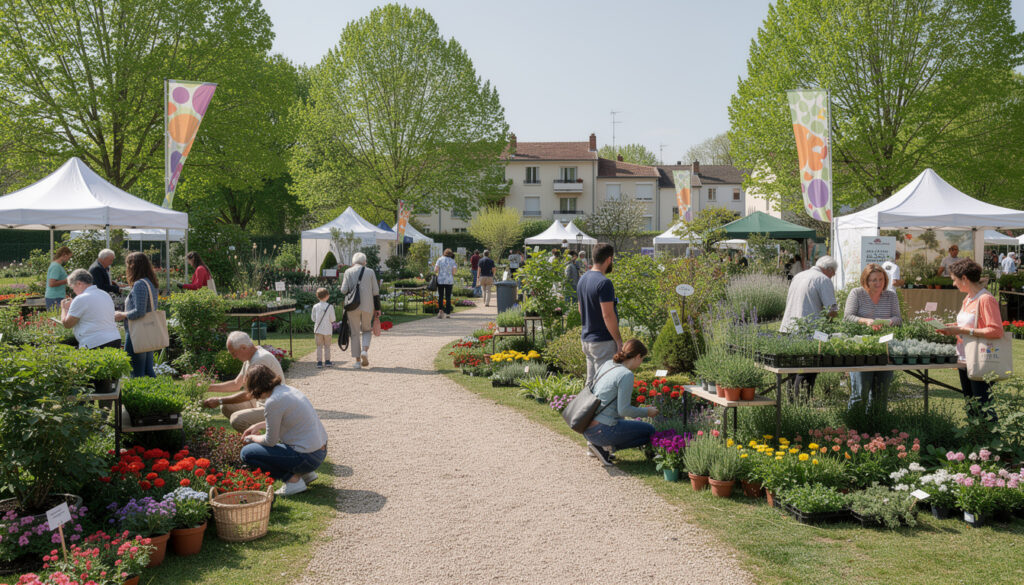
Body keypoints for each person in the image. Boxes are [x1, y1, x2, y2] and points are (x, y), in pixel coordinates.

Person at [240, 364, 327, 496]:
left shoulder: (273, 401)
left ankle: (292, 480)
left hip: (307, 457)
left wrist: (252, 438)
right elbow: (289, 420)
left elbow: (270, 441)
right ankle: (305, 474)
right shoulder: (288, 390)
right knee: (285, 445)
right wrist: (258, 425)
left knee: (247, 453)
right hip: (319, 452)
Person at [938, 259, 1005, 417]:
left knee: (983, 407)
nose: (954, 284)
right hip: (964, 358)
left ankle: (991, 439)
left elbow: (996, 330)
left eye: (954, 280)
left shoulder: (986, 299)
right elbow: (967, 324)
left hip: (980, 359)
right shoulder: (968, 299)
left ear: (965, 279)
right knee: (971, 406)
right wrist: (950, 327)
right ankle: (975, 439)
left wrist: (961, 330)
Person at [584, 339, 658, 465]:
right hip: (602, 431)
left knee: (626, 424)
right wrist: (647, 411)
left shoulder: (608, 364)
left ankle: (600, 447)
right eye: (642, 359)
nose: (641, 362)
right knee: (650, 431)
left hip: (586, 428)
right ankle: (605, 448)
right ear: (638, 356)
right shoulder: (626, 374)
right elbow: (623, 410)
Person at [844, 264, 903, 415]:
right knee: (860, 392)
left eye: (881, 279)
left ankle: (877, 428)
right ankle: (855, 426)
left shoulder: (890, 295)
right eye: (874, 280)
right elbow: (848, 317)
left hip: (884, 347)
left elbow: (898, 319)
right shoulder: (857, 293)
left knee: (881, 393)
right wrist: (867, 321)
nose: (878, 283)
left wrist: (888, 322)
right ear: (866, 281)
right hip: (861, 348)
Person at [202, 331, 285, 432]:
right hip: (261, 402)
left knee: (237, 419)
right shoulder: (250, 358)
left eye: (234, 353)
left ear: (243, 347)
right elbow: (236, 384)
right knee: (226, 406)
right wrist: (207, 387)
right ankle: (256, 434)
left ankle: (259, 442)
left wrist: (219, 400)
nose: (234, 357)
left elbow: (249, 394)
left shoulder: (260, 359)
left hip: (273, 408)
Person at [780, 256, 839, 397]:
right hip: (809, 331)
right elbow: (832, 311)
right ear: (828, 269)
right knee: (809, 369)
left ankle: (792, 404)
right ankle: (802, 405)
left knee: (793, 368)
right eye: (833, 272)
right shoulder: (823, 279)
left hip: (789, 327)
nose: (834, 275)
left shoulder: (799, 276)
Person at [578, 243, 622, 388]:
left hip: (587, 338)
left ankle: (585, 411)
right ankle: (601, 411)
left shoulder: (583, 279)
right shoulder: (604, 283)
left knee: (590, 383)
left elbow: (580, 309)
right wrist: (619, 341)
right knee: (604, 385)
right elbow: (607, 315)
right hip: (603, 341)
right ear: (609, 259)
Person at [114, 252, 159, 378]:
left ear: (133, 266)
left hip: (137, 332)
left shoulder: (140, 284)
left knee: (136, 371)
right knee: (147, 370)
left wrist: (122, 314)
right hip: (147, 331)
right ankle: (156, 395)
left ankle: (139, 395)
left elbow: (140, 311)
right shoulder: (150, 282)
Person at [59, 269, 121, 349]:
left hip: (95, 342)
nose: (74, 291)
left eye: (73, 287)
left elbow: (67, 324)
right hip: (114, 338)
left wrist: (64, 308)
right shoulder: (104, 294)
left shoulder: (80, 298)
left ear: (79, 283)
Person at [340, 252, 381, 368]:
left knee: (354, 332)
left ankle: (357, 361)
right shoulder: (370, 272)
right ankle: (364, 350)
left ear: (353, 262)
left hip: (352, 306)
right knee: (367, 329)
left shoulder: (348, 272)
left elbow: (343, 290)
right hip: (368, 306)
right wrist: (377, 308)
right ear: (364, 261)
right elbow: (376, 291)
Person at [311, 287, 336, 369]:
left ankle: (319, 362)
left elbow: (313, 318)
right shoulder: (330, 306)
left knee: (319, 346)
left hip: (318, 329)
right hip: (327, 330)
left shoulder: (315, 306)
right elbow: (333, 319)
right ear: (327, 296)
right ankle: (328, 361)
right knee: (327, 346)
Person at [433, 248, 457, 319]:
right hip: (449, 281)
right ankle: (448, 313)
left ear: (444, 253)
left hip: (440, 280)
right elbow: (454, 272)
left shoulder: (439, 259)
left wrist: (440, 272)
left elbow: (436, 270)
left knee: (440, 296)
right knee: (448, 297)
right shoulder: (452, 261)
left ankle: (440, 311)